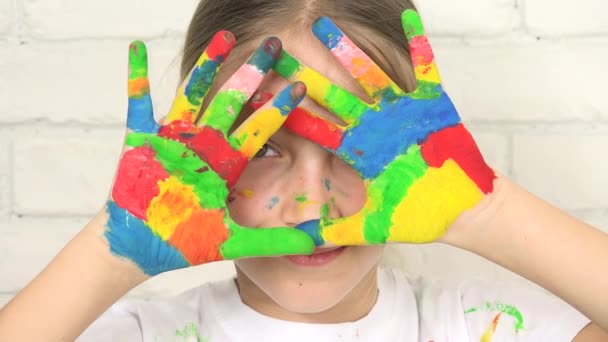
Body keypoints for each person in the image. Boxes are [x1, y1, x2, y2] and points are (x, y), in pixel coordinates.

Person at [1, 0, 607, 341]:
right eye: (263, 149)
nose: (314, 204)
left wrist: (486, 211)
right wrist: (113, 251)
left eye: (359, 148)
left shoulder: (486, 331)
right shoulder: (140, 335)